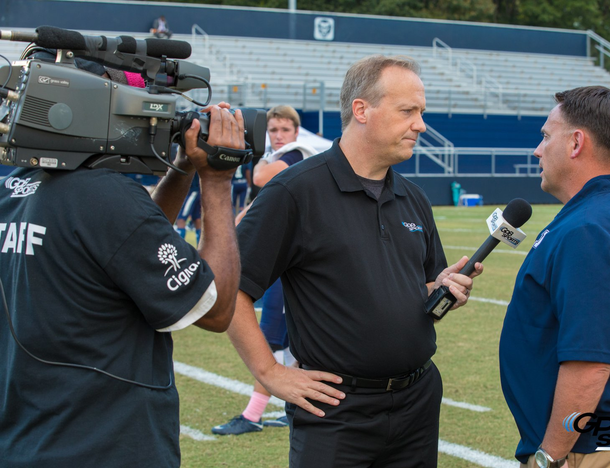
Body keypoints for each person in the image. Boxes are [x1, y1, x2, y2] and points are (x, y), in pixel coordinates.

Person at [226, 55, 482, 467]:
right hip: (336, 412)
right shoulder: (295, 191)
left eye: (421, 112)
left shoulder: (413, 197)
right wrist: (270, 372)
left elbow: (420, 300)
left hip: (418, 400)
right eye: (408, 111)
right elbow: (229, 286)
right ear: (361, 110)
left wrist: (443, 289)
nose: (421, 125)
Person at [0, 49, 244, 466]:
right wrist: (218, 180)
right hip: (103, 444)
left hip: (28, 438)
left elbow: (124, 250)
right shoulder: (104, 196)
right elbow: (216, 310)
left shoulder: (16, 189)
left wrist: (183, 167)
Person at [499, 86, 610, 468]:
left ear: (575, 143)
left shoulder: (592, 228)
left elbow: (589, 363)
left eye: (545, 136)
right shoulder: (597, 212)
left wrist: (549, 456)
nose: (538, 150)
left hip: (583, 450)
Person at [213, 105, 318, 436]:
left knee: (271, 336)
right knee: (289, 341)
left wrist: (260, 155)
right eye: (273, 130)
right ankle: (296, 409)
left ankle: (252, 415)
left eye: (284, 130)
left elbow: (260, 177)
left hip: (288, 260)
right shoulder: (286, 156)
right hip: (290, 258)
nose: (278, 136)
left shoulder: (294, 156)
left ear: (296, 133)